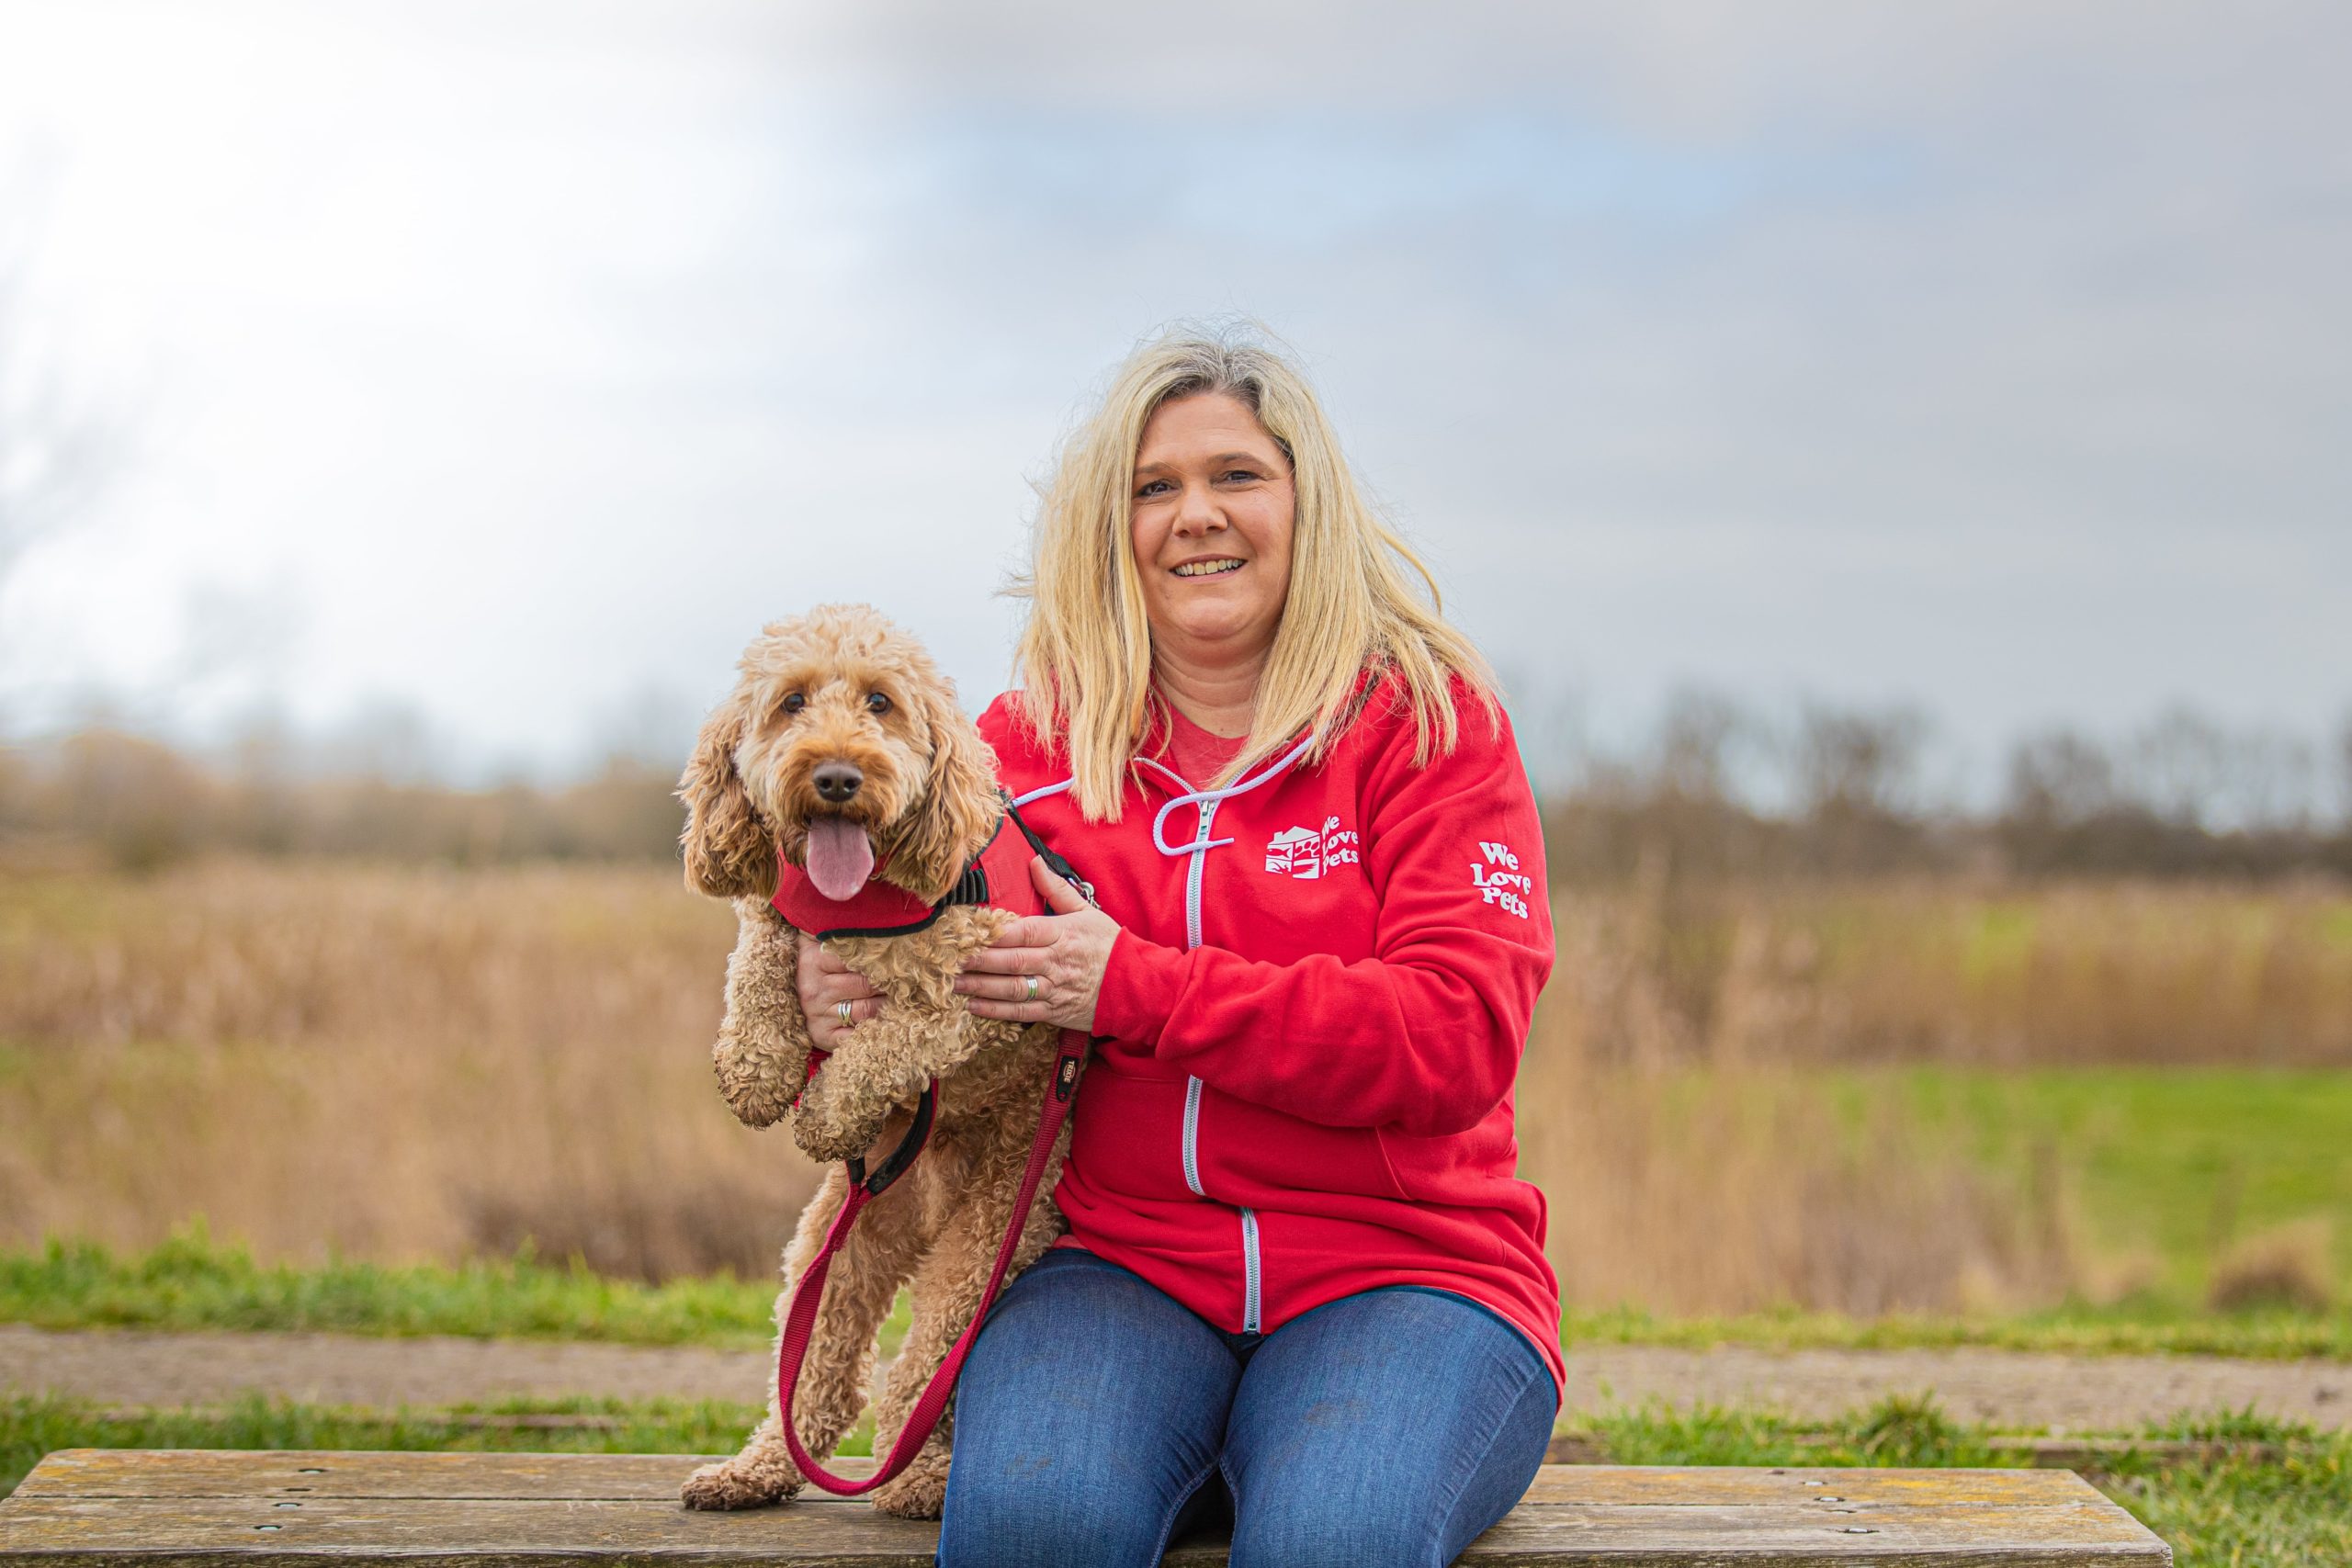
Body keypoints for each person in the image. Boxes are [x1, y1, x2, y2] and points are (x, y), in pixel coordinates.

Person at [797, 326, 1561, 1567]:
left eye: (1236, 477)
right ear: (1111, 526)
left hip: (1411, 1276)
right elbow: (893, 922)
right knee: (1038, 1527)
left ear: (1305, 501)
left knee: (1333, 1541)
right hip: (1116, 1267)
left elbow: (1455, 1037)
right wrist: (834, 979)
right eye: (1155, 488)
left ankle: (1287, 1453)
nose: (1195, 516)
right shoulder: (1025, 746)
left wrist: (1136, 987)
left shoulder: (1430, 724)